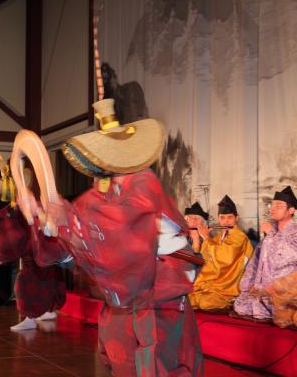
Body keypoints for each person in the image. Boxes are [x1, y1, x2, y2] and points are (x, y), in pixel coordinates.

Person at [14, 99, 203, 376]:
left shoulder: (143, 182)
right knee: (120, 358)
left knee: (159, 361)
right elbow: (70, 244)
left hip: (159, 292)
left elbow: (120, 227)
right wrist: (42, 217)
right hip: (125, 298)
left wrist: (64, 218)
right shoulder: (99, 195)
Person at [0, 158, 66, 332]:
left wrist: (39, 215)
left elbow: (44, 225)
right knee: (25, 283)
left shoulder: (33, 204)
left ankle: (44, 312)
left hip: (43, 254)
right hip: (32, 258)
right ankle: (35, 315)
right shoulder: (14, 209)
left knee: (33, 282)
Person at [234, 186, 297, 322]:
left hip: (285, 290)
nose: (272, 209)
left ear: (291, 210)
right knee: (241, 305)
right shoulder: (271, 231)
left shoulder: (294, 232)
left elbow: (287, 258)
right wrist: (250, 283)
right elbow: (256, 260)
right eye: (272, 205)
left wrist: (271, 235)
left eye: (278, 206)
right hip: (262, 289)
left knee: (283, 312)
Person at [188, 196, 253, 310]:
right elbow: (205, 259)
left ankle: (231, 300)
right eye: (222, 218)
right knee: (189, 298)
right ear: (218, 219)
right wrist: (198, 240)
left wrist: (206, 237)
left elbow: (225, 259)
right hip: (213, 284)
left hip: (228, 286)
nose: (226, 221)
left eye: (229, 218)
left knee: (205, 303)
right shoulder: (218, 238)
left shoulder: (240, 237)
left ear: (236, 218)